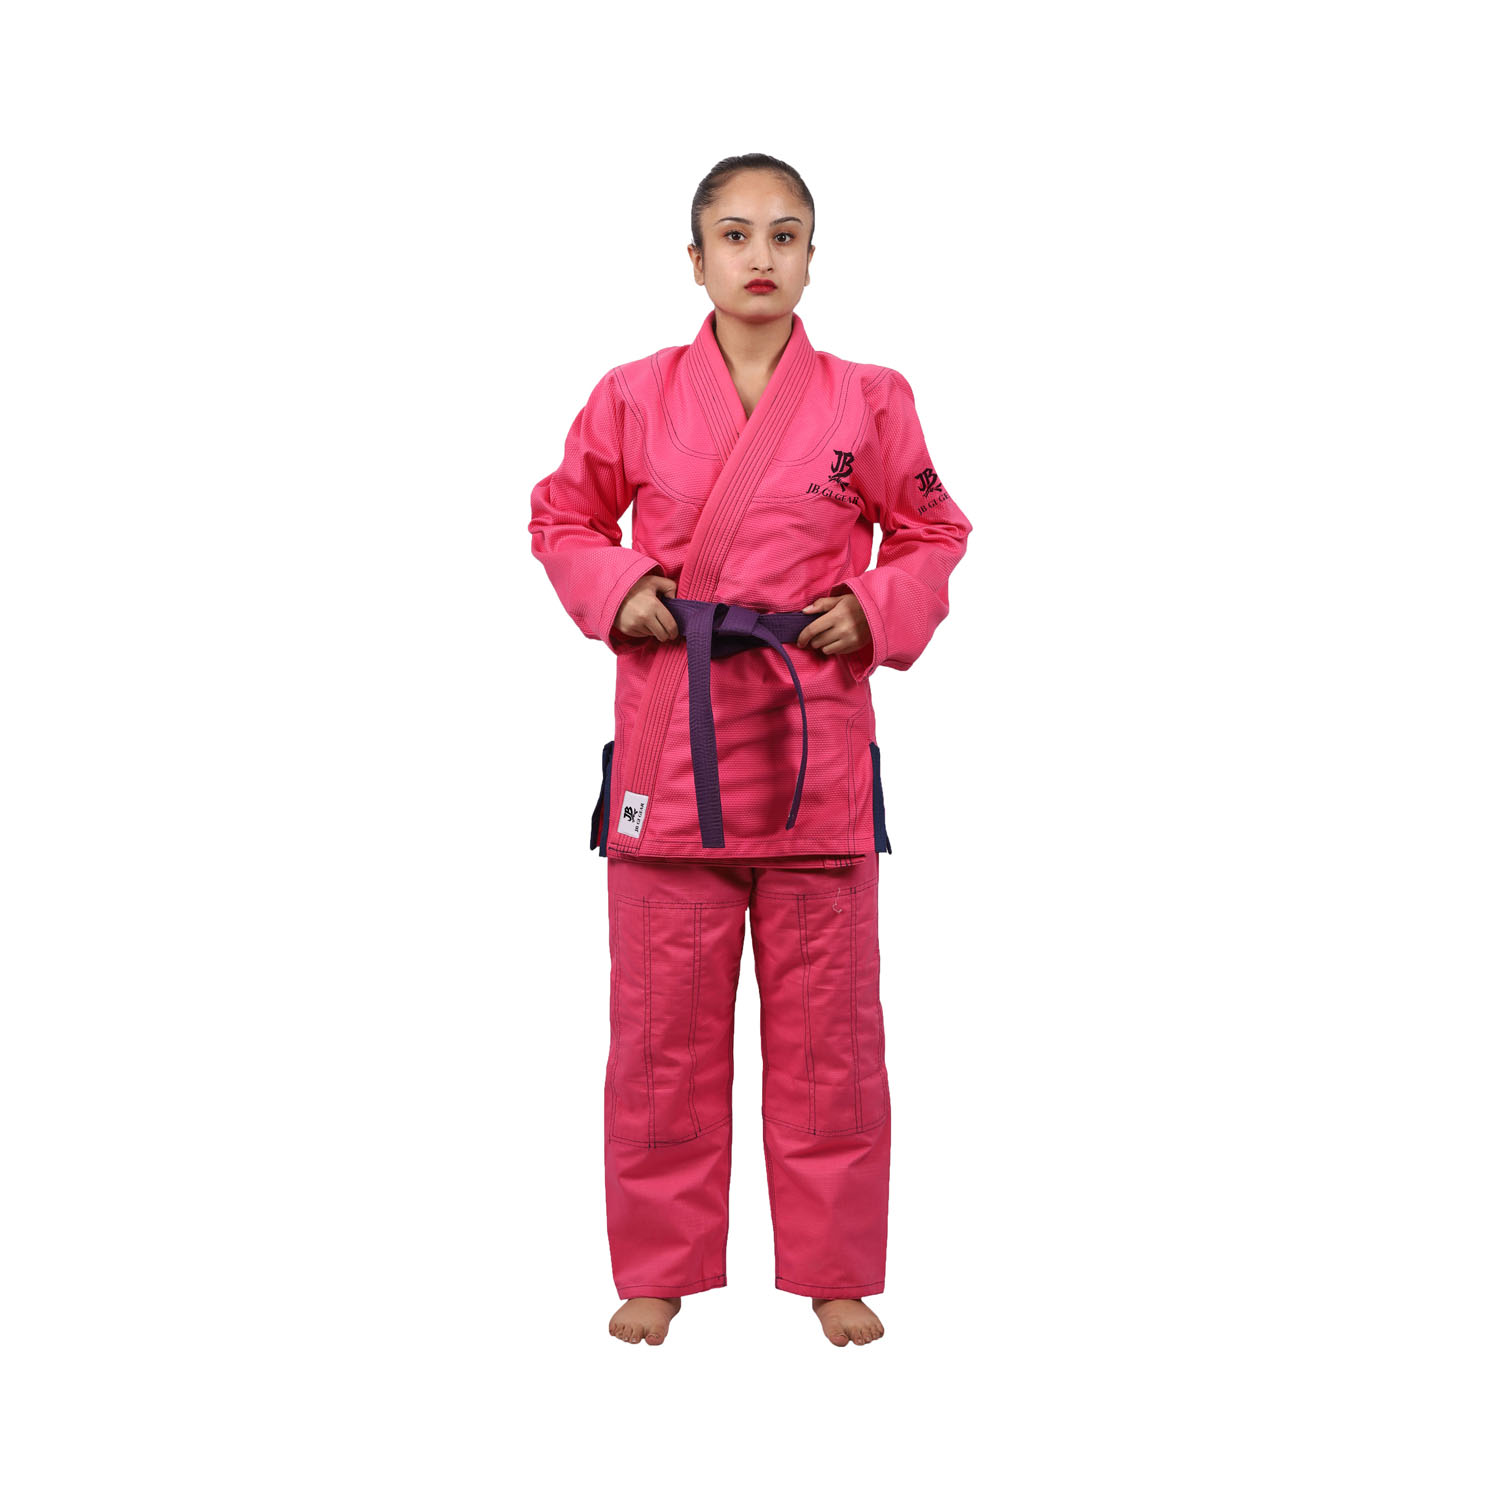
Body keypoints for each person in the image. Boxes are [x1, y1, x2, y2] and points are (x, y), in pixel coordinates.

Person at [529, 154, 972, 1347]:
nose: (760, 256)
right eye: (734, 235)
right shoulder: (633, 394)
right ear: (696, 260)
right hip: (673, 745)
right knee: (661, 1039)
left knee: (833, 1039)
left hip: (813, 744)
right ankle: (659, 1269)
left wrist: (874, 608)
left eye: (784, 235)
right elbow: (563, 515)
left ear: (812, 259)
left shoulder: (871, 399)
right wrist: (619, 586)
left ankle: (834, 1270)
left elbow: (932, 530)